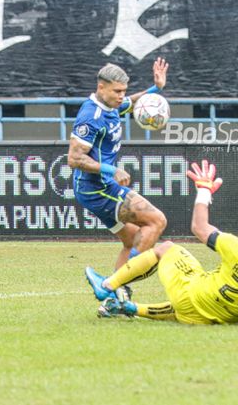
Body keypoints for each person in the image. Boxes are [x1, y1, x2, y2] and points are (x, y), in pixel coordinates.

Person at [84, 160, 238, 324]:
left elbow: (199, 227)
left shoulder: (237, 248)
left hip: (192, 299)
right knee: (195, 299)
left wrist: (204, 190)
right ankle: (130, 308)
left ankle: (107, 285)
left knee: (167, 248)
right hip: (216, 317)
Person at [67, 58, 169, 299]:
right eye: (117, 91)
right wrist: (111, 170)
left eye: (124, 90)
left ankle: (112, 296)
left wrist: (156, 89)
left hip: (99, 187)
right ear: (101, 87)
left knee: (134, 240)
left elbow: (132, 104)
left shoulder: (112, 105)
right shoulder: (91, 117)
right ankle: (112, 285)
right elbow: (74, 158)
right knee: (156, 221)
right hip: (96, 189)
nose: (122, 96)